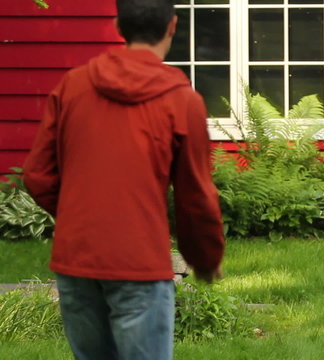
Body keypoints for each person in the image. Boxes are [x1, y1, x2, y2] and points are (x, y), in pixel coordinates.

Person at [22, 1, 225, 359]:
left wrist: (79, 217)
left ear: (118, 25)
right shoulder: (182, 101)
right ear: (172, 26)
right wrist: (206, 258)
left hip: (77, 258)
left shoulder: (73, 86)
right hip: (139, 265)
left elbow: (38, 175)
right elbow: (195, 195)